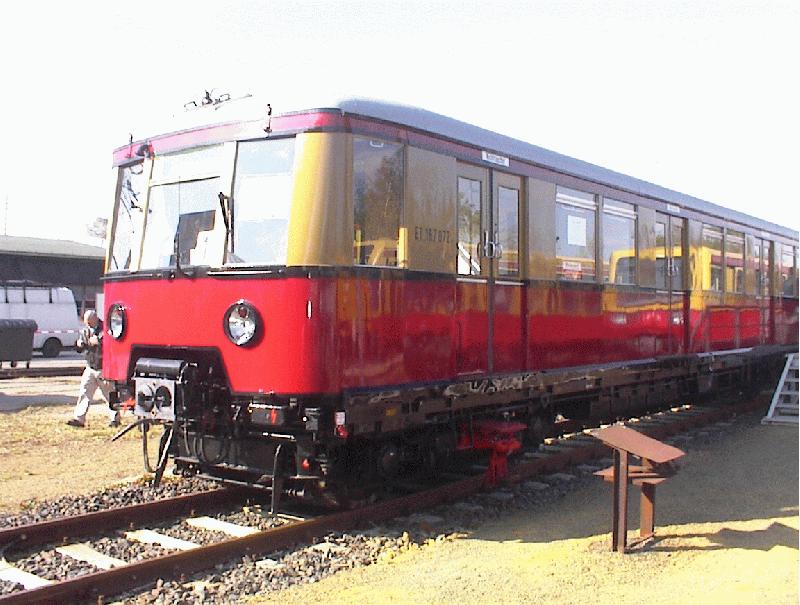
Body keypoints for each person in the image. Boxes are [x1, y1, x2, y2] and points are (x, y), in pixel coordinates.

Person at [66, 310, 120, 428]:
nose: (88, 325)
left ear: (95, 319)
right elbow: (82, 347)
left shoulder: (106, 329)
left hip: (103, 367)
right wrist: (79, 345)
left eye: (90, 323)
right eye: (86, 323)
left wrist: (100, 342)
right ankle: (79, 419)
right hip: (90, 366)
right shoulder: (85, 331)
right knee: (85, 392)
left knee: (109, 394)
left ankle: (115, 419)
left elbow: (113, 345)